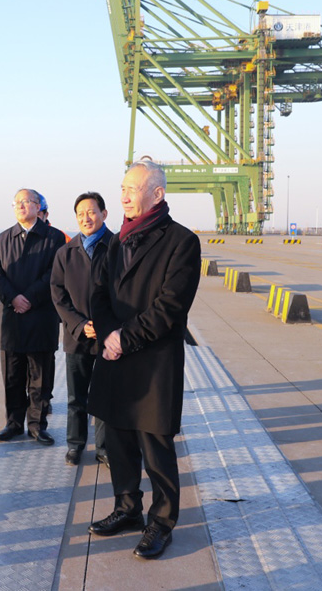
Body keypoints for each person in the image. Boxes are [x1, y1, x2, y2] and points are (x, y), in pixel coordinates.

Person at [87, 160, 201, 560]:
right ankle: (127, 508)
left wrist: (123, 337)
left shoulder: (182, 241)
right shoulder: (117, 241)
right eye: (122, 188)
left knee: (156, 448)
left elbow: (170, 306)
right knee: (118, 442)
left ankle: (162, 522)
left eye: (132, 189)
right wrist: (108, 334)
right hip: (115, 357)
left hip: (153, 361)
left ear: (157, 194)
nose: (123, 196)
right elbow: (98, 294)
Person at [0, 189, 65, 445]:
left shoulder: (54, 238)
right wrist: (13, 298)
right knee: (12, 377)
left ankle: (37, 425)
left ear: (38, 206)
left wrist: (29, 298)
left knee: (40, 378)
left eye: (27, 201)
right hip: (11, 320)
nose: (21, 206)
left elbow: (54, 274)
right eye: (17, 202)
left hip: (41, 317)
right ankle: (13, 424)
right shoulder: (3, 238)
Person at [50, 192, 113, 467]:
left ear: (103, 214)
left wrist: (104, 324)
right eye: (80, 214)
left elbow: (125, 291)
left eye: (91, 212)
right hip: (76, 337)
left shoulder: (117, 247)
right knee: (76, 397)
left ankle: (105, 447)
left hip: (109, 336)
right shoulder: (66, 253)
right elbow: (57, 293)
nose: (86, 218)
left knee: (107, 395)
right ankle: (75, 445)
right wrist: (78, 324)